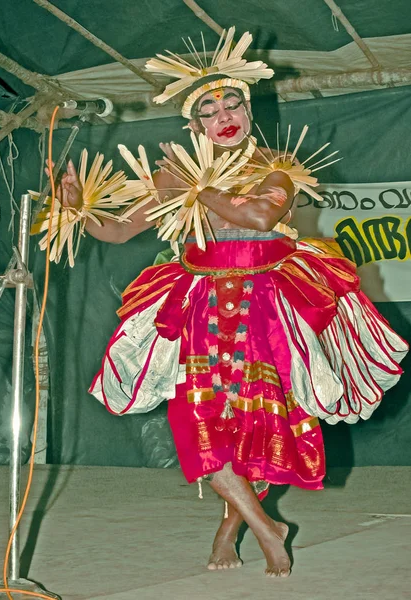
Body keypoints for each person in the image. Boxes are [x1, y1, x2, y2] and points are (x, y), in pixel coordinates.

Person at [54, 28, 408, 577]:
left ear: (247, 108)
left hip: (266, 306)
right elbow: (120, 232)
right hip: (199, 308)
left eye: (232, 101)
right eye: (209, 108)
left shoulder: (274, 163)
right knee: (197, 421)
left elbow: (260, 218)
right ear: (192, 125)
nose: (224, 113)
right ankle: (267, 526)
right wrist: (79, 210)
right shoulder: (173, 173)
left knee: (255, 422)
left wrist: (197, 189)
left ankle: (229, 525)